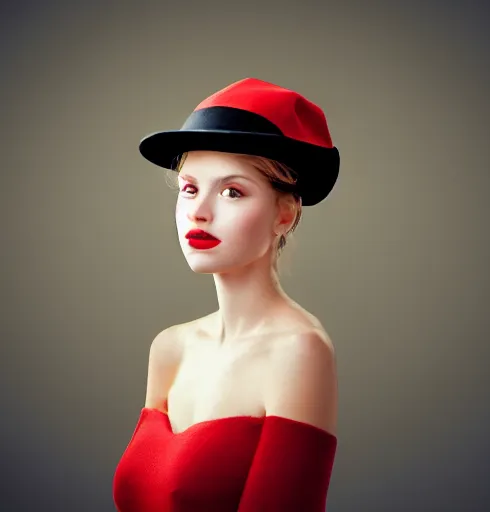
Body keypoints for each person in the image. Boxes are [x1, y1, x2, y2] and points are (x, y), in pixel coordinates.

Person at [113, 77, 341, 512]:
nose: (199, 211)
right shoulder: (170, 348)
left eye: (232, 191)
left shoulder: (299, 351)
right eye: (190, 188)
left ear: (285, 213)